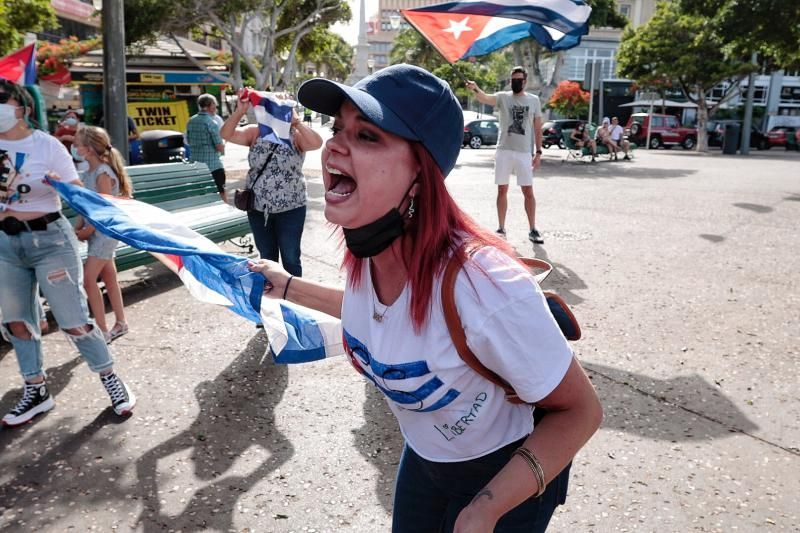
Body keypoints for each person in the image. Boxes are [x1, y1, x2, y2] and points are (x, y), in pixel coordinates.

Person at [249, 64, 602, 532]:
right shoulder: (369, 250)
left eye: (367, 135)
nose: (334, 145)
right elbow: (378, 314)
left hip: (507, 471)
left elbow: (582, 411)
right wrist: (287, 286)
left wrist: (485, 510)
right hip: (425, 461)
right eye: (338, 128)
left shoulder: (484, 284)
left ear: (421, 174)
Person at [0, 78, 136, 426]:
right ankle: (36, 391)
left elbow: (78, 193)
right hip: (5, 245)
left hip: (50, 241)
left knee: (74, 320)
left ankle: (111, 380)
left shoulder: (47, 146)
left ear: (23, 108)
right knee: (17, 322)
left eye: (2, 100)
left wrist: (62, 184)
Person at [220, 90, 322, 277]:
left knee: (291, 259)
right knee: (266, 258)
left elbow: (317, 143)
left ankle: (293, 297)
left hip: (292, 208)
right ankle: (270, 294)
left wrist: (296, 121)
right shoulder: (255, 132)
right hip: (258, 208)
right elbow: (226, 133)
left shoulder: (295, 135)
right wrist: (240, 111)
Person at [465, 67, 545, 244]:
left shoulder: (534, 100)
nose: (516, 82)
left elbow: (538, 128)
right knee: (502, 190)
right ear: (511, 81)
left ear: (525, 81)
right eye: (514, 79)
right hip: (504, 150)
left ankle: (533, 229)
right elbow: (485, 97)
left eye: (520, 79)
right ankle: (501, 228)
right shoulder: (503, 97)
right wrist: (475, 88)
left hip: (524, 152)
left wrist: (538, 152)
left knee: (528, 192)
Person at [72, 125, 132, 343]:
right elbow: (87, 206)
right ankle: (121, 322)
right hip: (97, 233)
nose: (74, 148)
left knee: (89, 280)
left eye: (77, 144)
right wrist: (79, 225)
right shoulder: (89, 172)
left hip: (104, 233)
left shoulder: (102, 173)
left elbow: (104, 209)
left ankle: (102, 330)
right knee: (109, 277)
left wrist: (87, 229)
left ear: (88, 149)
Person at [186, 94, 227, 202]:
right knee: (221, 192)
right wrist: (223, 147)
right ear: (211, 105)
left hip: (195, 165)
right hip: (212, 165)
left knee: (201, 194)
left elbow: (188, 141)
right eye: (215, 105)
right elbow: (219, 147)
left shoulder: (191, 120)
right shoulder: (211, 122)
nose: (216, 108)